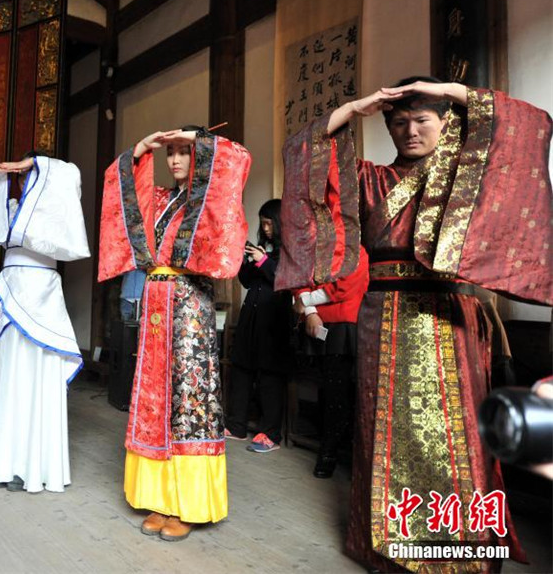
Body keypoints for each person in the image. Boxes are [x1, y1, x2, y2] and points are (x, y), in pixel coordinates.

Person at [277, 76, 551, 571]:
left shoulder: (466, 182)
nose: (410, 130)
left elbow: (528, 127)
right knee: (384, 428)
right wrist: (356, 106)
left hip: (449, 314)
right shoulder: (370, 179)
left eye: (422, 119)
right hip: (383, 315)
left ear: (445, 124)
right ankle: (389, 544)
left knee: (457, 431)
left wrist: (448, 88)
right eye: (398, 122)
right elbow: (305, 152)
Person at [98, 126, 250, 541]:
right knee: (155, 395)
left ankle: (190, 503)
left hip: (189, 304)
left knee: (188, 397)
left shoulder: (208, 200)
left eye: (186, 152)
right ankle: (160, 498)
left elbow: (234, 160)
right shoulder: (163, 202)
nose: (177, 160)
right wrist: (142, 148)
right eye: (172, 154)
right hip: (155, 304)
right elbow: (124, 192)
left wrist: (196, 136)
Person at [0, 152, 89, 493]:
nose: (26, 179)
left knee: (37, 374)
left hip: (42, 293)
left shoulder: (56, 198)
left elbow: (70, 173)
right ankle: (2, 462)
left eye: (31, 174)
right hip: (9, 291)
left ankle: (34, 466)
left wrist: (37, 163)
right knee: (7, 375)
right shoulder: (12, 210)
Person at [292, 245, 368, 477]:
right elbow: (299, 279)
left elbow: (344, 287)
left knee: (342, 393)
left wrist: (306, 302)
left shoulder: (357, 251)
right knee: (329, 391)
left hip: (347, 325)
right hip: (319, 324)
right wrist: (311, 311)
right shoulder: (316, 248)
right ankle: (329, 450)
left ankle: (332, 452)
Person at [223, 199, 293, 453]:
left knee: (269, 375)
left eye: (268, 223)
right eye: (262, 223)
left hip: (273, 320)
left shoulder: (291, 250)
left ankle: (270, 433)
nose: (264, 228)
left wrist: (264, 261)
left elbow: (281, 279)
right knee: (241, 368)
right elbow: (245, 281)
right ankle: (236, 425)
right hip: (250, 317)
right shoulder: (263, 248)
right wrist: (247, 261)